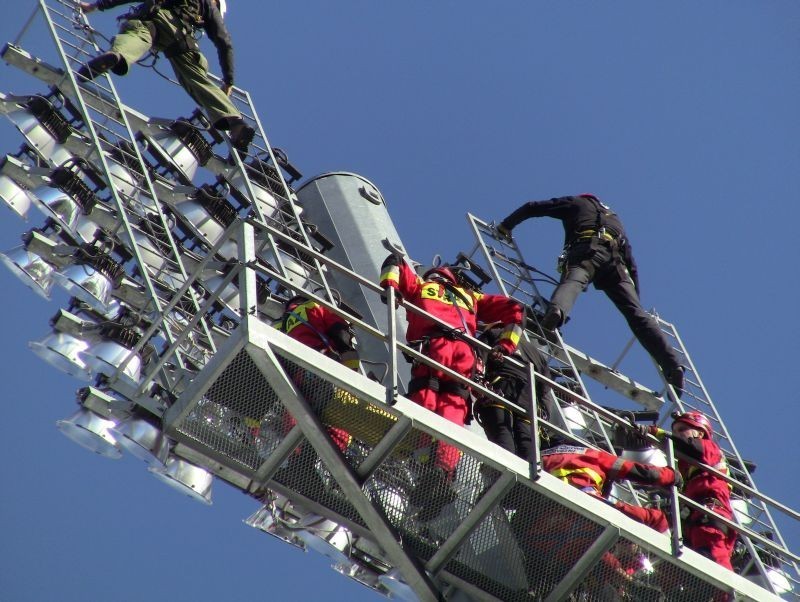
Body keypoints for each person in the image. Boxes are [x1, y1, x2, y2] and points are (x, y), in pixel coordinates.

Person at [496, 194, 685, 396]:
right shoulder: (614, 217)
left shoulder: (576, 202)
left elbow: (533, 207)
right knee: (637, 315)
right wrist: (635, 298)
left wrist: (506, 226)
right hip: (615, 263)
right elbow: (632, 264)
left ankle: (556, 312)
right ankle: (673, 366)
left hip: (586, 249)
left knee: (573, 282)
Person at [379, 255, 523, 519]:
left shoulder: (422, 286)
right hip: (465, 357)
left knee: (426, 406)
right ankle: (442, 475)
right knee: (453, 414)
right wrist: (505, 346)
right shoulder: (471, 298)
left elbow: (395, 261)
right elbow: (515, 309)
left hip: (434, 349)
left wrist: (390, 288)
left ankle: (425, 470)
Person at [77, 0, 255, 153]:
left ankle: (118, 55)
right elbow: (224, 42)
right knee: (196, 79)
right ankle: (235, 122)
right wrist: (228, 80)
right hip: (180, 37)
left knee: (137, 36)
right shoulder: (208, 5)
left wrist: (97, 5)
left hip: (154, 18)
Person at [640, 411, 737, 572]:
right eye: (676, 430)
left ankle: (727, 596)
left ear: (700, 432)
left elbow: (690, 446)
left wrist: (657, 433)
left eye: (682, 429)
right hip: (695, 520)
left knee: (714, 564)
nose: (677, 434)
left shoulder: (709, 448)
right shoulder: (690, 471)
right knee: (678, 570)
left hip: (710, 516)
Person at [274, 294, 359, 455]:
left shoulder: (282, 324)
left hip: (298, 378)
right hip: (322, 366)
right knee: (337, 419)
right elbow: (341, 334)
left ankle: (299, 456)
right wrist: (352, 375)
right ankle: (331, 456)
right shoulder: (316, 306)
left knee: (296, 416)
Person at [541, 437, 681, 532]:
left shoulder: (542, 456)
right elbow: (644, 473)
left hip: (545, 512)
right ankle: (668, 524)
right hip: (585, 501)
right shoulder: (594, 455)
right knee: (649, 518)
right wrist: (672, 476)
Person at [475, 324, 551, 460]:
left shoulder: (493, 333)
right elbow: (545, 390)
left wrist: (477, 384)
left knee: (502, 433)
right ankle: (526, 480)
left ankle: (504, 470)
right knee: (527, 443)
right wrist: (544, 415)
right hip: (529, 401)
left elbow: (478, 361)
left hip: (499, 390)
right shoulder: (537, 354)